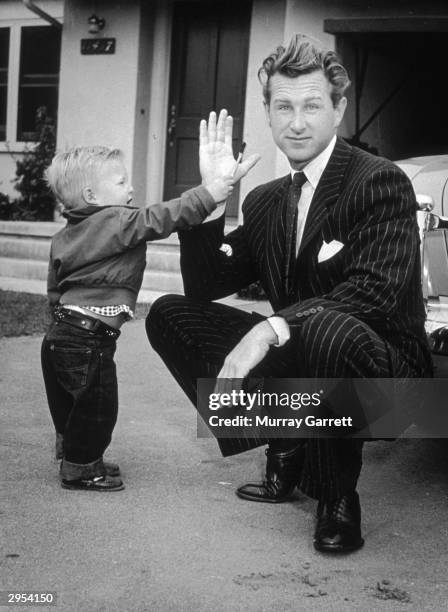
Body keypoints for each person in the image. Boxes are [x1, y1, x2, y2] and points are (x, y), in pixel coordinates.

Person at [146, 35, 432, 552]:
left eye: (312, 106)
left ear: (339, 108)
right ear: (269, 112)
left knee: (321, 325)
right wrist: (211, 198)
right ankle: (288, 435)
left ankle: (337, 496)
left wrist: (271, 326)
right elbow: (207, 284)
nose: (296, 123)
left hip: (392, 386)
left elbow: (375, 292)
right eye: (283, 107)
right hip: (311, 365)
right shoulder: (266, 200)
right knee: (169, 314)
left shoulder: (380, 182)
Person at [41, 122, 259, 492]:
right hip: (89, 340)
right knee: (98, 406)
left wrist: (55, 326)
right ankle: (81, 469)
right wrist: (210, 194)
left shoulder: (65, 235)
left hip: (60, 336)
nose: (131, 187)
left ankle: (76, 455)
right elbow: (159, 219)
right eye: (122, 181)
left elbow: (53, 287)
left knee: (71, 403)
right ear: (93, 195)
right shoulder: (116, 220)